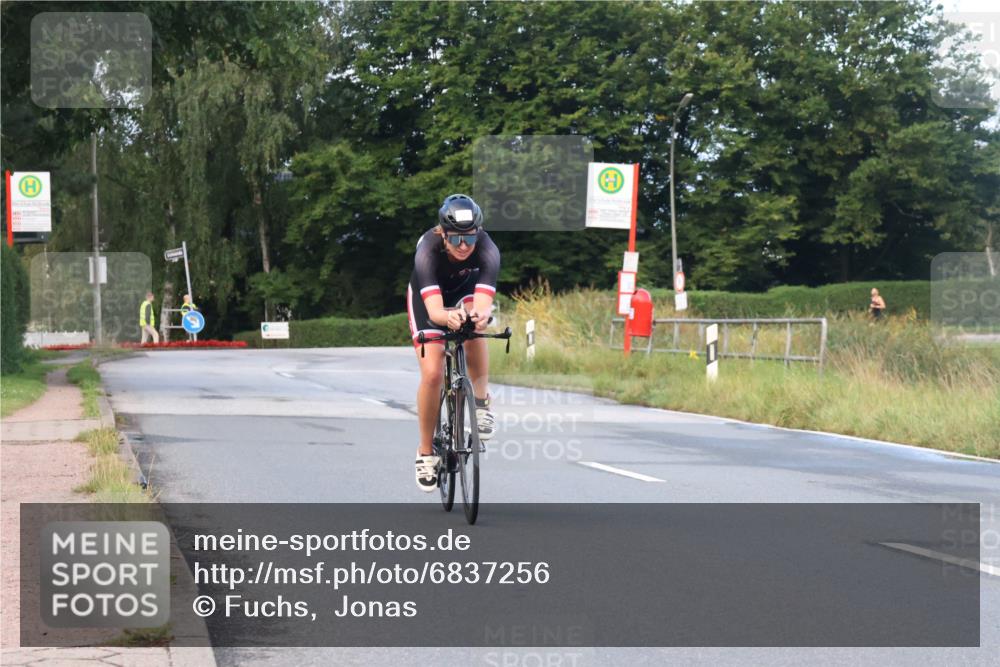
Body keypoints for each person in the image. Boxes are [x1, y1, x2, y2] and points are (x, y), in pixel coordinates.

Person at [407, 194, 499, 492]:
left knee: (475, 326)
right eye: (456, 238)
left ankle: (481, 401)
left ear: (477, 233)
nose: (463, 245)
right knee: (433, 373)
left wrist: (476, 318)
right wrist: (448, 318)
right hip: (429, 298)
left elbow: (482, 305)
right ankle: (425, 452)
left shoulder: (487, 249)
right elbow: (435, 313)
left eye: (469, 238)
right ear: (443, 234)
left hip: (465, 292)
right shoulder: (427, 251)